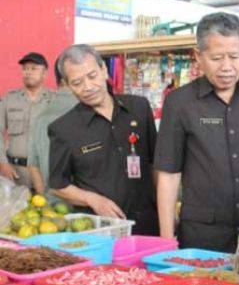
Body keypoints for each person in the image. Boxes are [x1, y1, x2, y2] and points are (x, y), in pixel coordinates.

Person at [155, 12, 239, 263]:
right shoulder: (180, 102)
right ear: (198, 56)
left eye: (235, 57)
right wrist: (165, 238)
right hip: (204, 234)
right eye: (216, 58)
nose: (227, 67)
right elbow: (169, 173)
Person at [49, 44, 159, 234]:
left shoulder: (139, 108)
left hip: (149, 222)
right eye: (77, 83)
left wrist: (167, 209)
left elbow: (155, 164)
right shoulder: (63, 129)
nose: (88, 87)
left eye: (92, 76)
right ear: (67, 86)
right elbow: (58, 185)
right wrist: (93, 200)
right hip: (103, 229)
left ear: (104, 70)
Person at [0, 52, 54, 188]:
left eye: (34, 68)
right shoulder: (9, 99)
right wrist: (3, 163)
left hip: (46, 173)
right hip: (15, 173)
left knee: (49, 209)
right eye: (25, 68)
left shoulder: (55, 100)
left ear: (45, 73)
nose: (28, 72)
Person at [27, 59, 78, 197]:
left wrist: (45, 199)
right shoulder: (92, 110)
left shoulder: (39, 116)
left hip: (53, 208)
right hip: (88, 208)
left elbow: (32, 165)